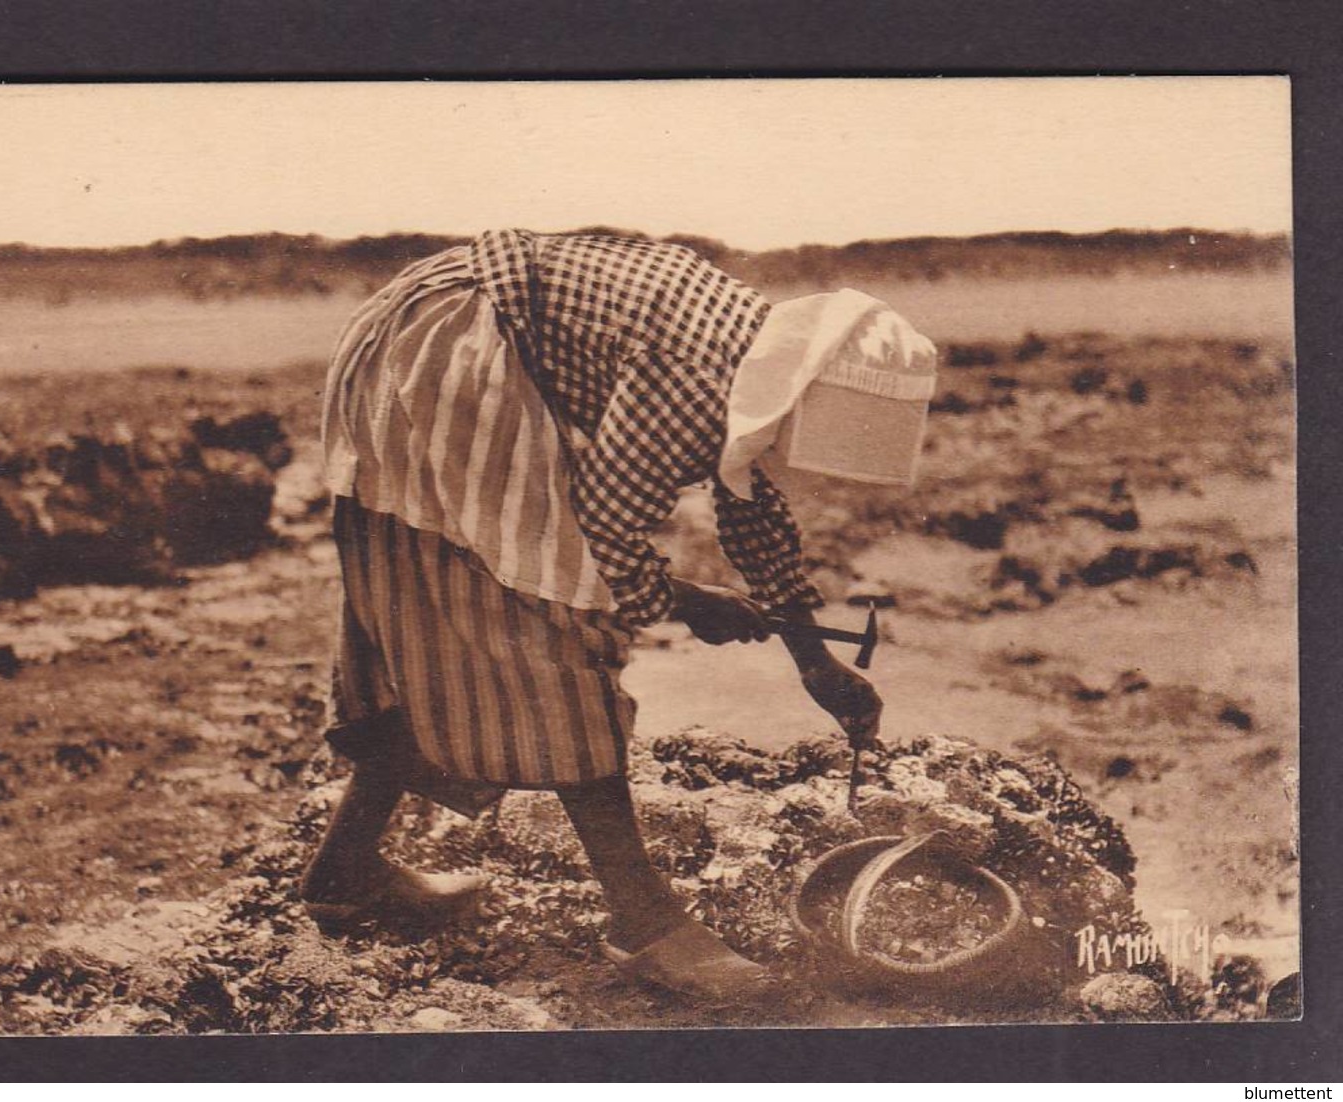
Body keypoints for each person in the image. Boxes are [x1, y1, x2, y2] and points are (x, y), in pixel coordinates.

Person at [300, 228, 937, 1001]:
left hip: (435, 343)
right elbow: (602, 529)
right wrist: (682, 600)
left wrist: (814, 661)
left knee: (433, 612)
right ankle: (645, 923)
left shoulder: (758, 358)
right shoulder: (696, 378)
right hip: (445, 355)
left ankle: (344, 870)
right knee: (550, 624)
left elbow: (751, 505)